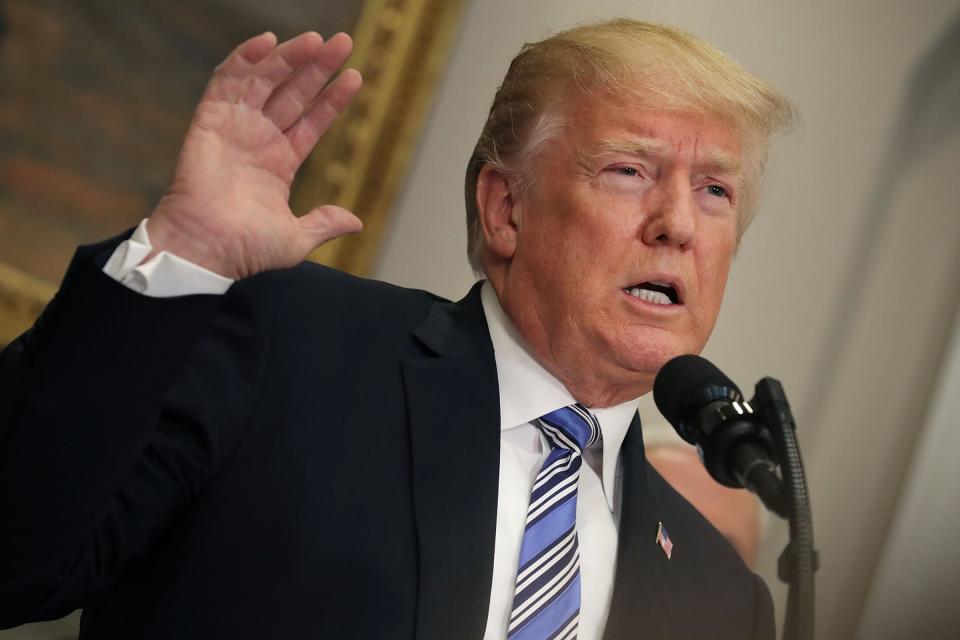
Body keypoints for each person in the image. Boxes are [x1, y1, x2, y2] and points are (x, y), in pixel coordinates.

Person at [0, 18, 794, 640]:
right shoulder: (287, 346)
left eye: (716, 191)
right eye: (629, 170)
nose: (678, 225)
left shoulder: (723, 601)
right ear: (505, 208)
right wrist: (179, 258)